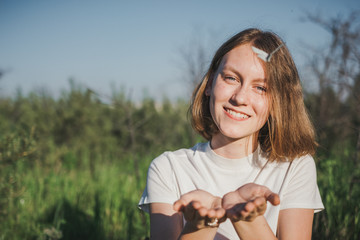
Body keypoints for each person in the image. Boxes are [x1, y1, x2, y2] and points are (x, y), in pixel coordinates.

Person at [138, 28, 324, 239]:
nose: (240, 97)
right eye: (231, 78)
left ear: (277, 103)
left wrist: (249, 221)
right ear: (209, 84)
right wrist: (201, 226)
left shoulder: (295, 167)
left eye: (261, 88)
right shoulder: (168, 168)